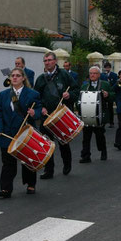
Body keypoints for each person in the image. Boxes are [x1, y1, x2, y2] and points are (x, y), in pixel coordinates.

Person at [0, 68, 42, 198]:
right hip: (7, 132)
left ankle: (31, 184)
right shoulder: (3, 94)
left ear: (23, 78)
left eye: (18, 76)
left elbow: (39, 109)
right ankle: (5, 189)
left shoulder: (32, 94)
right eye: (12, 76)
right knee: (8, 163)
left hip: (24, 132)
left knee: (27, 160)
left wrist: (34, 113)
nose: (14, 78)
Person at [34, 51, 79, 179]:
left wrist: (69, 95)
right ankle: (49, 171)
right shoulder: (41, 79)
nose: (47, 63)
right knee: (47, 144)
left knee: (63, 142)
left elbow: (76, 89)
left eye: (49, 60)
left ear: (55, 61)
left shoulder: (64, 75)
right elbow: (36, 97)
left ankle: (67, 164)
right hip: (46, 116)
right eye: (45, 60)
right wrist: (41, 107)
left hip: (61, 115)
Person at [79, 66, 115, 163]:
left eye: (94, 73)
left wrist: (108, 95)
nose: (92, 75)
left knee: (99, 136)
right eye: (91, 73)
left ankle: (103, 151)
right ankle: (85, 156)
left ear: (99, 75)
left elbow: (113, 96)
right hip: (87, 115)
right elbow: (80, 100)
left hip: (99, 115)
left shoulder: (105, 84)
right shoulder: (84, 86)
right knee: (86, 137)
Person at [101, 61, 118, 128]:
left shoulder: (114, 75)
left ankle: (111, 122)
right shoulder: (102, 75)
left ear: (110, 68)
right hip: (104, 92)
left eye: (108, 68)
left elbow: (115, 83)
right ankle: (104, 121)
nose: (107, 69)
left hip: (110, 92)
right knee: (104, 108)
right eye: (106, 68)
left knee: (110, 108)